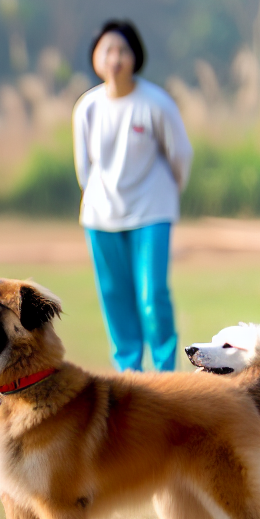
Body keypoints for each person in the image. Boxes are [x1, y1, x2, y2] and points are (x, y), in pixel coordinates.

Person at [72, 19, 193, 373]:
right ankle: (129, 375)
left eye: (122, 50)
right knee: (115, 298)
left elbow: (180, 155)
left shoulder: (156, 103)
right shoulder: (87, 107)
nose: (115, 58)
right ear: (95, 58)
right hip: (101, 215)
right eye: (107, 50)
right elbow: (84, 166)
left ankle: (165, 372)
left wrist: (168, 193)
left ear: (135, 56)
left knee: (152, 295)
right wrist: (98, 197)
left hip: (152, 211)